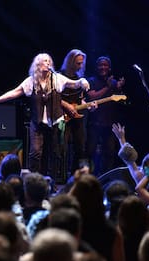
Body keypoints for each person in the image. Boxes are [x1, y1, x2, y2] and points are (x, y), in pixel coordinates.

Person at [0, 53, 89, 178]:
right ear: (38, 64)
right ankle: (33, 179)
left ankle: (54, 183)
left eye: (49, 61)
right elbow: (14, 92)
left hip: (55, 122)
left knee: (56, 153)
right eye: (45, 61)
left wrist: (82, 80)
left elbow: (74, 84)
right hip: (37, 123)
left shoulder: (57, 78)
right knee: (35, 153)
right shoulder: (30, 81)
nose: (48, 63)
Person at [86, 56, 125, 176]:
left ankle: (106, 177)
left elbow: (121, 101)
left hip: (110, 123)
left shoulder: (113, 82)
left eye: (105, 65)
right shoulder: (91, 81)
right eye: (100, 65)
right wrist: (108, 87)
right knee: (89, 152)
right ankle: (87, 177)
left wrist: (119, 88)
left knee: (109, 153)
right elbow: (92, 97)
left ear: (109, 68)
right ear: (96, 67)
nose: (103, 67)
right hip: (95, 123)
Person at [60, 49, 90, 177]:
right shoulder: (59, 77)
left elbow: (81, 99)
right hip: (62, 117)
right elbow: (53, 97)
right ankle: (60, 176)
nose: (80, 66)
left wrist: (88, 106)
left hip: (77, 117)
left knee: (80, 147)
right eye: (78, 63)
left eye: (82, 63)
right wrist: (66, 105)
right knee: (62, 148)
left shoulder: (80, 78)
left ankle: (75, 177)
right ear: (71, 62)